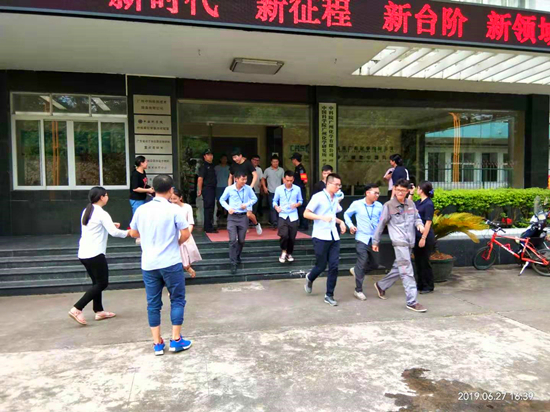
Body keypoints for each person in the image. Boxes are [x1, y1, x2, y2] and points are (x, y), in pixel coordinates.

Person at [129, 175, 192, 356]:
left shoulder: (141, 210)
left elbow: (133, 233)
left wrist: (148, 237)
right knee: (177, 299)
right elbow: (186, 234)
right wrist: (175, 243)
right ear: (171, 190)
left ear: (153, 189)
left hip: (149, 263)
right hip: (170, 262)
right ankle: (176, 340)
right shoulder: (174, 210)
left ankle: (157, 343)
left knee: (153, 303)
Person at [69, 187, 130, 325]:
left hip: (84, 253)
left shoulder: (87, 210)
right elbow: (114, 233)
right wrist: (129, 233)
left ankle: (99, 310)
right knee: (102, 283)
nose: (107, 197)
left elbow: (95, 226)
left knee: (96, 283)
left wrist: (111, 225)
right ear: (102, 197)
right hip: (95, 254)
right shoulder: (102, 213)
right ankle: (77, 308)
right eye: (106, 195)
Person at [372, 179, 427, 313]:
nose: (400, 193)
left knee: (399, 267)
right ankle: (412, 301)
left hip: (410, 242)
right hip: (399, 243)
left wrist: (420, 225)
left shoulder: (411, 204)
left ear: (408, 191)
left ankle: (381, 285)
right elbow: (381, 224)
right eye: (397, 190)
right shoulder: (389, 206)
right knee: (407, 271)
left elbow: (417, 218)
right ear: (394, 190)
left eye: (403, 190)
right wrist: (375, 241)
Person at [303, 173, 347, 306]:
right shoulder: (318, 197)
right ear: (328, 184)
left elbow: (332, 215)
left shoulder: (335, 198)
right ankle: (310, 277)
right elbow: (306, 213)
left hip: (334, 236)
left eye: (340, 185)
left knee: (334, 266)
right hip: (320, 236)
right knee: (321, 265)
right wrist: (321, 218)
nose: (338, 187)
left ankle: (329, 295)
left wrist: (341, 222)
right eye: (336, 185)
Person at [344, 184, 384, 301]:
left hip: (374, 240)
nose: (377, 195)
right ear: (367, 193)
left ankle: (357, 271)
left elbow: (383, 220)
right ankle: (358, 290)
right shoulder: (357, 204)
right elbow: (346, 214)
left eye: (378, 193)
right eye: (375, 193)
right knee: (362, 261)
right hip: (361, 238)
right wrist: (350, 225)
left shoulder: (379, 206)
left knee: (375, 264)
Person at [220, 170, 258, 274]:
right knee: (232, 240)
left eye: (246, 179)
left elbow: (254, 199)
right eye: (242, 179)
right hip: (232, 217)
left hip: (243, 217)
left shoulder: (248, 188)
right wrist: (228, 208)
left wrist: (247, 204)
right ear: (236, 179)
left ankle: (237, 256)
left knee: (241, 240)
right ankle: (233, 263)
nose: (244, 181)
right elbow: (222, 200)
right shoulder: (229, 189)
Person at [229, 148, 262, 235]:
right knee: (237, 211)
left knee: (248, 214)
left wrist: (251, 187)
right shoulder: (233, 165)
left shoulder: (248, 164)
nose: (234, 159)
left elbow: (255, 175)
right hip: (237, 191)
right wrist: (229, 188)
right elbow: (230, 177)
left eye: (236, 157)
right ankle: (242, 228)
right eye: (233, 158)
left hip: (247, 191)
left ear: (240, 156)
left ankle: (256, 224)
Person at [273, 171, 303, 263]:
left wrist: (296, 204)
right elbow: (274, 201)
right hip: (283, 215)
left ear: (293, 180)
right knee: (284, 235)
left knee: (292, 237)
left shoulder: (297, 189)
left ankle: (289, 253)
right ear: (284, 180)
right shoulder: (279, 189)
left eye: (291, 180)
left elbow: (301, 200)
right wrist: (276, 207)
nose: (289, 182)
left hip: (293, 215)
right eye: (287, 180)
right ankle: (283, 251)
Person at [171, 188, 202, 278]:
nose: (173, 201)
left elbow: (190, 222)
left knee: (186, 255)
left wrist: (187, 234)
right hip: (173, 234)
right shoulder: (169, 207)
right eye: (171, 199)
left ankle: (187, 268)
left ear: (180, 198)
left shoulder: (187, 207)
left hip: (185, 233)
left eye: (175, 199)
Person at [414, 181, 436, 294]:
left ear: (421, 190)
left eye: (418, 188)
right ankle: (420, 284)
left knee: (424, 261)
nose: (416, 190)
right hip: (416, 235)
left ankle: (428, 285)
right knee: (418, 261)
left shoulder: (428, 204)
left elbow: (428, 222)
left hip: (425, 236)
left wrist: (423, 238)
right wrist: (410, 193)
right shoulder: (418, 202)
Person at [129, 156, 155, 245]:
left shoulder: (143, 172)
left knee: (144, 217)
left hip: (143, 198)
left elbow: (143, 185)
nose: (147, 163)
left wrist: (150, 188)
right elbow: (135, 188)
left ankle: (143, 234)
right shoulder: (135, 174)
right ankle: (137, 236)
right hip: (136, 199)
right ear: (141, 163)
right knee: (138, 217)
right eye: (146, 162)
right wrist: (148, 190)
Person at [197, 149, 218, 233]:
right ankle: (208, 227)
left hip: (212, 189)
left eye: (211, 155)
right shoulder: (204, 166)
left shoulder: (212, 166)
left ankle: (210, 225)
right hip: (207, 189)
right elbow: (200, 179)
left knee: (211, 208)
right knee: (208, 208)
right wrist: (199, 189)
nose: (210, 156)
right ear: (204, 156)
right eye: (208, 155)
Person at [262, 155, 285, 228]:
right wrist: (264, 187)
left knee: (280, 206)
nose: (275, 163)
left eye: (276, 162)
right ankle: (274, 222)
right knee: (272, 207)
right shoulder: (267, 170)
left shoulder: (281, 170)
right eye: (274, 162)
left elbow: (283, 180)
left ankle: (279, 221)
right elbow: (263, 179)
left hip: (280, 192)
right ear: (271, 162)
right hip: (271, 191)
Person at [291, 153, 309, 230]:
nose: (292, 161)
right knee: (299, 207)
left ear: (295, 160)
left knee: (301, 207)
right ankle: (301, 224)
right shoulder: (297, 168)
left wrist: (300, 184)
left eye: (292, 159)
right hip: (298, 189)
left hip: (300, 189)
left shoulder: (301, 168)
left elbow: (305, 180)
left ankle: (304, 225)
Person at [215, 154, 230, 223]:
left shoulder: (229, 168)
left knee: (226, 200)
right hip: (218, 186)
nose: (224, 160)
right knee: (219, 200)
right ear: (220, 159)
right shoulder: (216, 168)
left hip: (226, 186)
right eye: (223, 159)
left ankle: (225, 213)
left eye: (225, 159)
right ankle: (220, 210)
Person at [251, 154, 264, 219]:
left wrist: (261, 185)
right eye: (254, 160)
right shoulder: (248, 168)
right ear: (251, 160)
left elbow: (262, 178)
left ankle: (253, 219)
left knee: (255, 206)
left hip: (257, 190)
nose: (256, 161)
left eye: (257, 160)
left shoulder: (259, 169)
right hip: (249, 190)